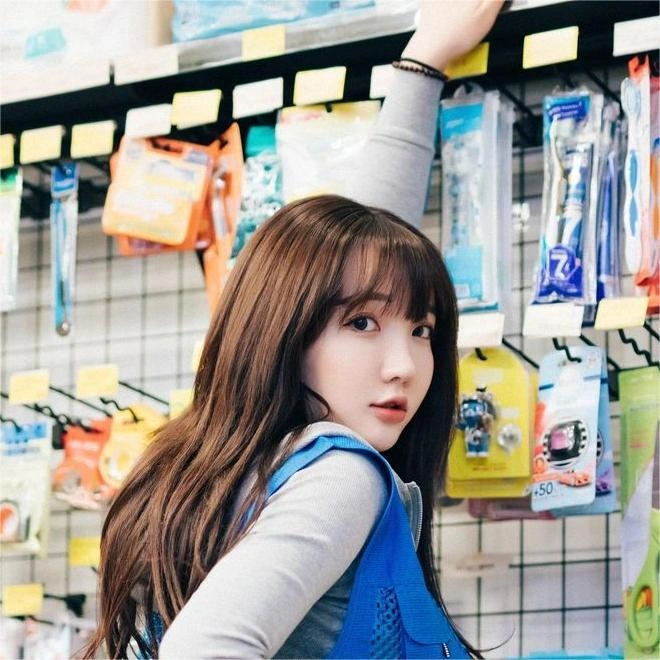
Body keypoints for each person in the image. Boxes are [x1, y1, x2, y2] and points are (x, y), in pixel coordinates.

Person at [83, 2, 504, 658]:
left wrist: (423, 63)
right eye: (363, 324)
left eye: (422, 330)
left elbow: (357, 262)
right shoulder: (342, 477)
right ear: (287, 332)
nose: (404, 364)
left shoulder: (230, 468)